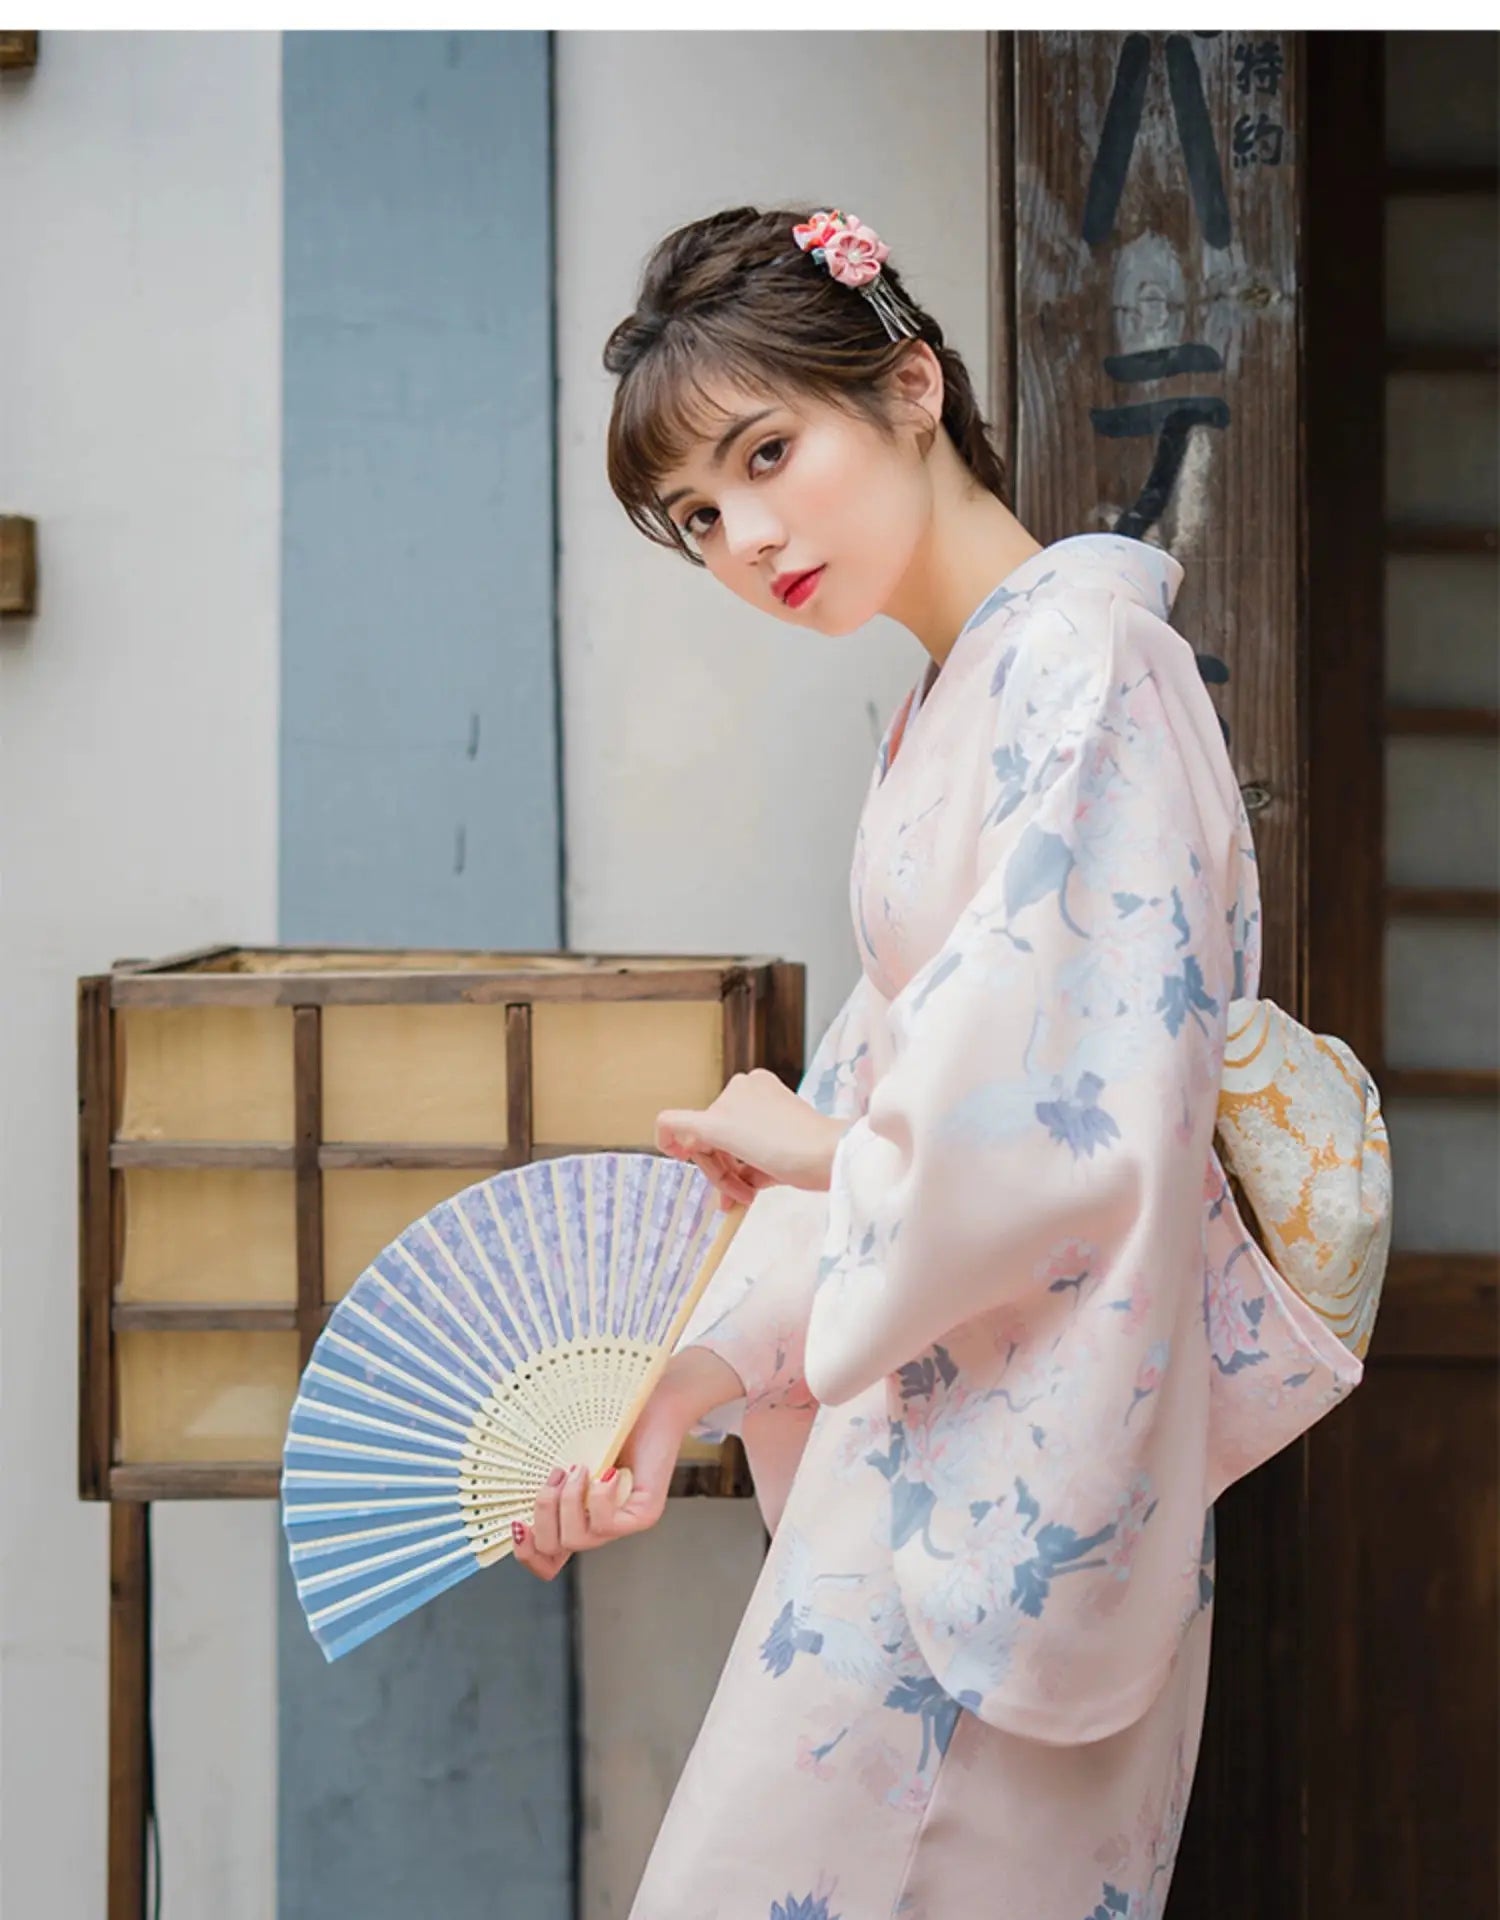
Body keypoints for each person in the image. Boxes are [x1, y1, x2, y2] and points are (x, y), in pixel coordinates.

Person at [510, 206, 1366, 1920]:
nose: (747, 537)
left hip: (1030, 1481)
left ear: (911, 383)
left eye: (767, 453)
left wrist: (818, 1147)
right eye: (698, 518)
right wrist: (676, 1389)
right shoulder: (947, 709)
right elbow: (910, 1081)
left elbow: (1093, 1116)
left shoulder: (1092, 664)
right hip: (920, 1461)